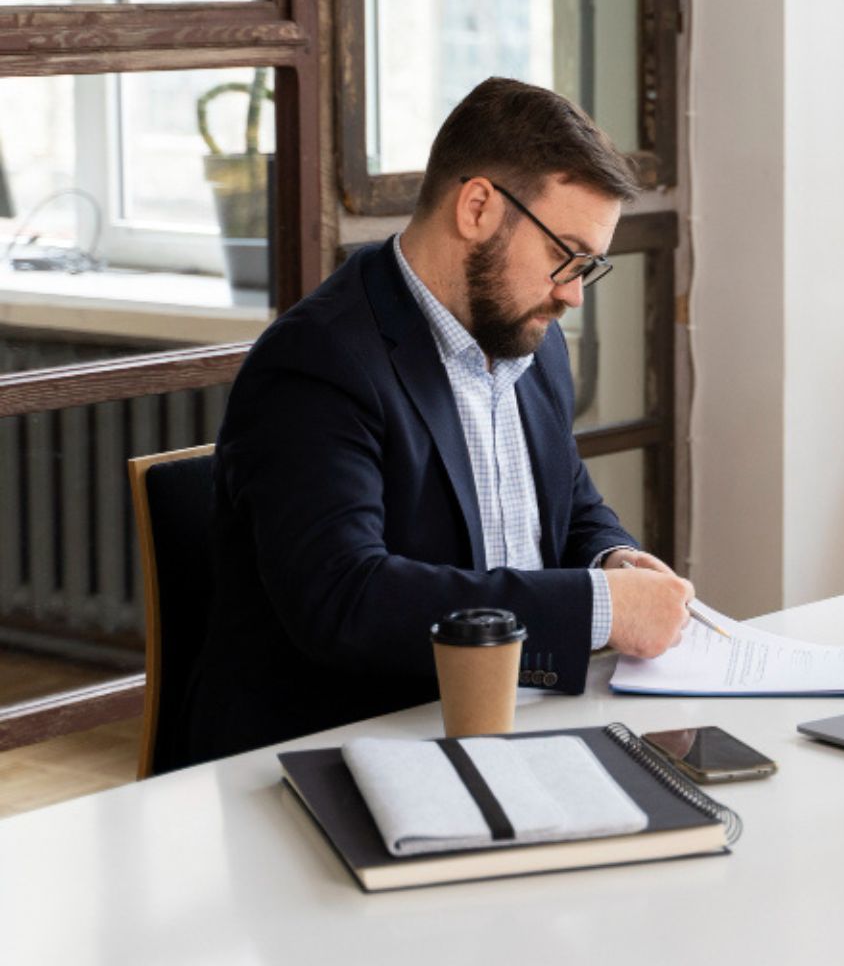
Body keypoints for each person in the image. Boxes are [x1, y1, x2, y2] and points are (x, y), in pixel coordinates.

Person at [186, 78, 693, 762]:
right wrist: (603, 607)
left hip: (513, 732)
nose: (573, 294)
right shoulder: (317, 362)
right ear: (479, 207)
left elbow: (571, 506)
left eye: (588, 267)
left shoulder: (529, 338)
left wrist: (615, 560)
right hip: (342, 757)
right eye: (563, 256)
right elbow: (346, 598)